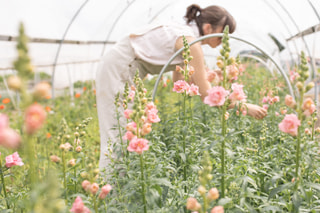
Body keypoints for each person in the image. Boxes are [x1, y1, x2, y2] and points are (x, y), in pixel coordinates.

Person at [95, 4, 267, 176]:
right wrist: (243, 106)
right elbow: (206, 95)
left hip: (121, 67)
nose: (221, 42)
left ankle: (119, 190)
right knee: (118, 134)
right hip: (118, 70)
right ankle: (109, 195)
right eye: (221, 36)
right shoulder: (190, 42)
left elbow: (181, 82)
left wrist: (210, 76)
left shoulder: (187, 37)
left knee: (130, 132)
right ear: (208, 28)